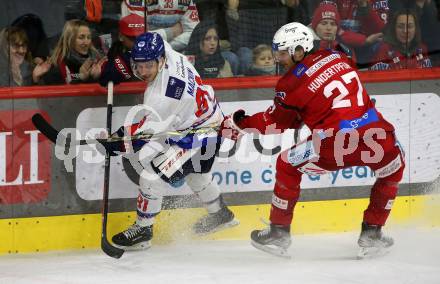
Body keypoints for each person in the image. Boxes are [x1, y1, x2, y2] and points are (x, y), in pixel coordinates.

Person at [221, 22, 405, 258]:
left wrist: (240, 123)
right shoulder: (337, 56)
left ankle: (279, 233)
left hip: (333, 143)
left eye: (283, 52)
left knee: (287, 163)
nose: (279, 59)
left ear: (300, 49)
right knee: (393, 167)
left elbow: (276, 124)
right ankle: (372, 231)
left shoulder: (290, 84)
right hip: (378, 136)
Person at [99, 32, 238, 250]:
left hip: (201, 136)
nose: (143, 72)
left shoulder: (163, 96)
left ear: (161, 60)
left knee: (151, 176)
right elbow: (149, 40)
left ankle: (143, 231)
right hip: (210, 122)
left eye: (148, 66)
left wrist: (115, 142)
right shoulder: (166, 51)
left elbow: (141, 136)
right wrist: (122, 63)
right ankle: (221, 215)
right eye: (138, 65)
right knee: (195, 175)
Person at [32, 19, 105, 85]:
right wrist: (82, 78)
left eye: (88, 37)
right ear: (69, 40)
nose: (86, 42)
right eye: (81, 37)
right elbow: (62, 97)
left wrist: (96, 77)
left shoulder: (97, 61)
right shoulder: (56, 67)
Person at [121, 0, 200, 52]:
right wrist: (171, 32)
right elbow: (138, 39)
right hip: (140, 58)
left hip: (174, 55)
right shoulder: (134, 1)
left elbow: (194, 33)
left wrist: (165, 47)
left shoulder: (187, 1)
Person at [99, 14, 145, 86]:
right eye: (133, 38)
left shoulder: (157, 51)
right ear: (120, 36)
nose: (138, 42)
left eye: (142, 38)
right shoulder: (112, 59)